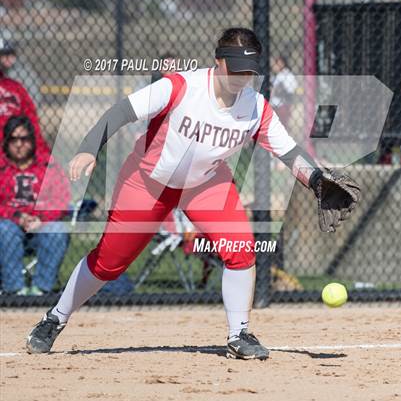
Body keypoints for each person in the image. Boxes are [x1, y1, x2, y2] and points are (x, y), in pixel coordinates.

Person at [26, 27, 359, 359]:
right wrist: (89, 149)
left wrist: (315, 178)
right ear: (218, 61)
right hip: (148, 182)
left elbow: (287, 151)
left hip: (206, 183)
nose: (242, 77)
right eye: (235, 68)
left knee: (240, 248)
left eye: (249, 70)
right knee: (109, 263)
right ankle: (54, 318)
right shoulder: (181, 86)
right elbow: (121, 112)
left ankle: (239, 333)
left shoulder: (256, 106)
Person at [0, 116, 71, 295]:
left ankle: (40, 290)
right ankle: (15, 290)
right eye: (13, 139)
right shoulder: (2, 165)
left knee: (57, 229)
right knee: (4, 229)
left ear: (32, 140)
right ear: (6, 141)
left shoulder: (47, 164)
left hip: (41, 226)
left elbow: (61, 199)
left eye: (23, 139)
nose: (18, 144)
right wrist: (18, 217)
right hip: (9, 226)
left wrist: (41, 219)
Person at [0, 39, 50, 154]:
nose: (8, 58)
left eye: (11, 54)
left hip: (20, 122)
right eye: (4, 54)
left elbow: (33, 104)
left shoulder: (22, 74)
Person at [270, 54, 298, 129]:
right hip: (274, 105)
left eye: (276, 63)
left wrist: (278, 90)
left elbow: (291, 90)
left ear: (282, 63)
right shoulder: (276, 75)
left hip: (283, 106)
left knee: (281, 128)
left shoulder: (287, 75)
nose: (274, 65)